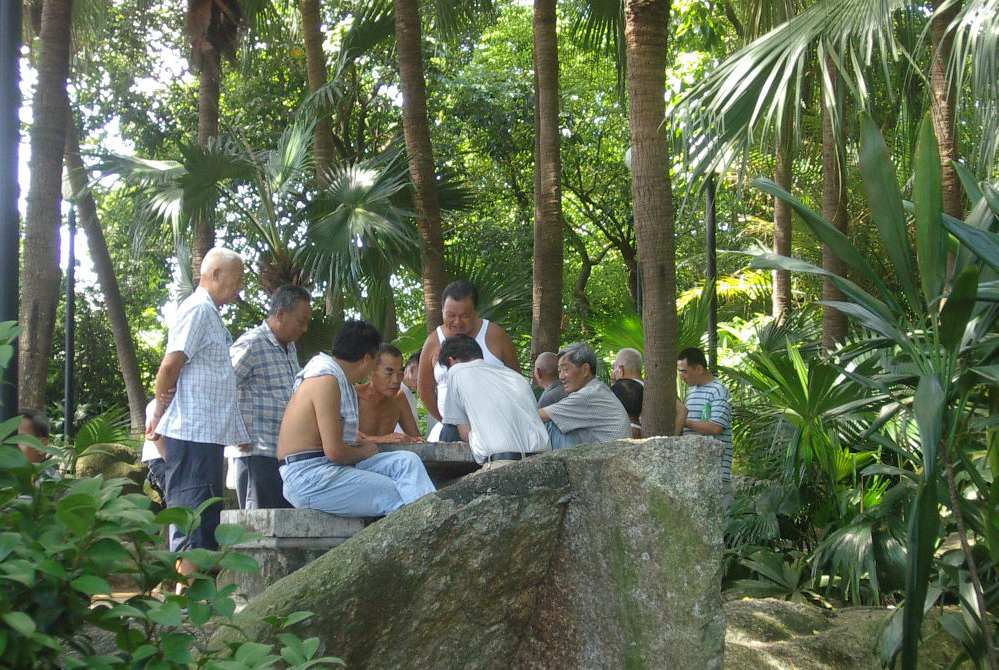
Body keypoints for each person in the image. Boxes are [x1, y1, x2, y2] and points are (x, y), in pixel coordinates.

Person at [146, 247, 249, 578]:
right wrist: (159, 410)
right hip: (191, 432)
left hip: (206, 434)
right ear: (215, 274)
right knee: (193, 519)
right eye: (238, 276)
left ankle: (193, 599)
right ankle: (187, 601)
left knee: (204, 518)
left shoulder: (210, 313)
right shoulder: (198, 309)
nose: (242, 284)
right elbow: (171, 364)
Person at [277, 320, 436, 517]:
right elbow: (335, 451)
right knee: (398, 493)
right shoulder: (325, 380)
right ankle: (433, 532)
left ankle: (435, 522)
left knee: (407, 462)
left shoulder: (339, 379)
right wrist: (365, 451)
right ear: (367, 359)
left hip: (329, 467)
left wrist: (366, 445)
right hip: (309, 476)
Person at [225, 285, 312, 510]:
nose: (305, 329)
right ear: (281, 314)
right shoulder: (252, 343)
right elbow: (221, 388)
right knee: (260, 527)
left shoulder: (290, 347)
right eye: (301, 321)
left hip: (285, 452)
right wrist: (236, 430)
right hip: (256, 452)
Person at [417, 280, 520, 442]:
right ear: (442, 310)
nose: (457, 322)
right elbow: (424, 390)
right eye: (450, 316)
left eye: (465, 316)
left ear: (476, 312)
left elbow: (516, 381)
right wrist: (446, 420)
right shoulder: (433, 341)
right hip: (450, 430)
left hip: (497, 428)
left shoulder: (495, 335)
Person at [439, 335, 549, 469]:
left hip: (502, 464)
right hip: (542, 460)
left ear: (451, 361)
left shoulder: (457, 371)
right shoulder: (515, 376)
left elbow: (464, 433)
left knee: (448, 430)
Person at [538, 342, 631, 449]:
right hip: (612, 454)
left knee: (550, 425)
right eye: (559, 371)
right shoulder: (597, 389)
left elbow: (538, 417)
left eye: (566, 369)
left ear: (585, 370)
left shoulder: (588, 395)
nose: (561, 377)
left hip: (609, 459)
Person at [678, 347, 733, 500]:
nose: (681, 376)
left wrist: (683, 422)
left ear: (699, 369)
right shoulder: (691, 391)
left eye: (684, 371)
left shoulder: (718, 391)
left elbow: (716, 427)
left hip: (716, 472)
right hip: (695, 471)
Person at [357, 344, 423, 444]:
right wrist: (381, 439)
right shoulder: (354, 395)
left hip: (388, 458)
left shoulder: (398, 398)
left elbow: (416, 438)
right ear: (371, 371)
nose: (396, 380)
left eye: (400, 373)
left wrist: (410, 440)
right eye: (389, 373)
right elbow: (342, 437)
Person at [140, 399, 167, 499]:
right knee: (173, 494)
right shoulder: (157, 404)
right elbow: (155, 434)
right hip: (159, 457)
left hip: (174, 458)